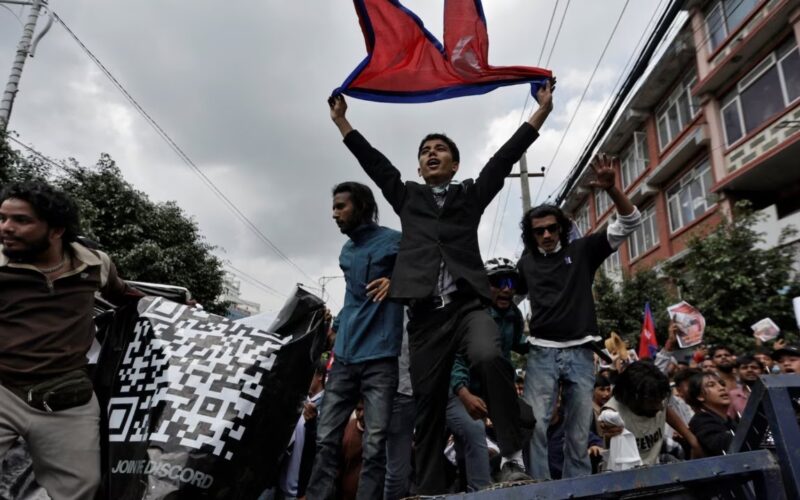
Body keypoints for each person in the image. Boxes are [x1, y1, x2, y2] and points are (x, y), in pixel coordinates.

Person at [327, 81, 555, 493]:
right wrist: (343, 122)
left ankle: (511, 457)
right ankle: (429, 488)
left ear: (454, 164)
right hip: (426, 319)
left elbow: (503, 159)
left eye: (440, 149)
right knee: (428, 405)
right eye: (424, 151)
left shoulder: (469, 196)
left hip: (467, 309)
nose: (431, 154)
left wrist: (540, 113)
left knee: (488, 355)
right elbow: (375, 164)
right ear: (419, 168)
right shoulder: (407, 197)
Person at [0, 181, 142, 500]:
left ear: (56, 230)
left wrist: (177, 309)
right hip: (4, 388)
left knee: (81, 486)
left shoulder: (94, 264)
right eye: (2, 218)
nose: (6, 228)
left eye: (21, 220)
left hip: (66, 397)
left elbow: (124, 295)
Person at [516, 153, 642, 480]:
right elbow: (506, 301)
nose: (546, 235)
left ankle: (578, 486)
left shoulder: (582, 251)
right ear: (531, 235)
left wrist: (612, 189)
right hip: (541, 352)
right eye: (539, 231)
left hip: (582, 352)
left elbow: (631, 221)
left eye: (552, 228)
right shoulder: (526, 264)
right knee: (535, 424)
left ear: (561, 228)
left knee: (578, 429)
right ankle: (541, 488)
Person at [306, 182, 404, 500]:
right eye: (333, 207)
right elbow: (352, 297)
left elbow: (428, 266)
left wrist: (397, 281)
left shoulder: (395, 241)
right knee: (325, 439)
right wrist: (334, 329)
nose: (334, 214)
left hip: (381, 361)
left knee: (374, 445)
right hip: (345, 359)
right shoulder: (346, 252)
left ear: (361, 206)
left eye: (340, 207)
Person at [446, 257, 530, 491]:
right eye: (498, 282)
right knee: (472, 431)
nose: (506, 289)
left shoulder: (513, 315)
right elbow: (457, 359)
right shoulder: (472, 317)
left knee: (526, 418)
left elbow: (517, 343)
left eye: (511, 283)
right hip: (460, 390)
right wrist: (464, 394)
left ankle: (510, 468)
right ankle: (477, 489)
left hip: (492, 389)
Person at [597, 361, 701, 466]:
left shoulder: (656, 396)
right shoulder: (613, 412)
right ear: (635, 396)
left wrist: (692, 440)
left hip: (653, 468)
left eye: (661, 400)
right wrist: (609, 427)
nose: (660, 407)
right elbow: (607, 421)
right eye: (654, 401)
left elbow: (666, 410)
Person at [270, 361, 327, 500]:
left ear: (319, 376)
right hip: (281, 485)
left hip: (300, 492)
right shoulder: (297, 400)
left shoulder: (326, 407)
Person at [687, 371, 737, 456]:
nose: (721, 388)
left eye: (722, 384)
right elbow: (722, 446)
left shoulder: (730, 420)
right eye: (711, 385)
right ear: (700, 396)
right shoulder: (701, 421)